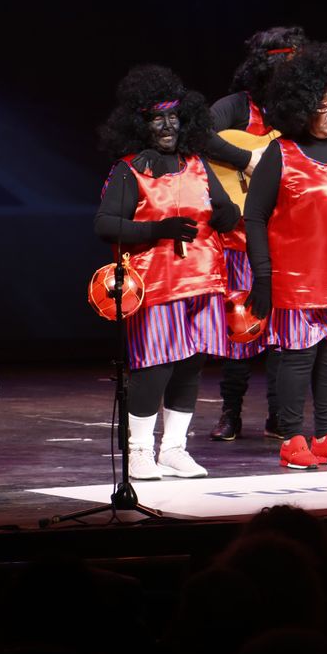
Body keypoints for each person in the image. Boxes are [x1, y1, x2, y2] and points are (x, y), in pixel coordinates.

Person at [95, 66, 239, 478]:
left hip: (203, 280)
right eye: (157, 117)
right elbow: (104, 225)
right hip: (155, 284)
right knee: (153, 367)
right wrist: (158, 229)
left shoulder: (197, 164)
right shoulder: (130, 169)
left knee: (190, 365)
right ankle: (139, 449)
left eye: (173, 116)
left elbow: (224, 212)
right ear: (140, 123)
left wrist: (227, 213)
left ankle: (173, 448)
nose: (167, 125)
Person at [244, 42, 327, 469]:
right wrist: (263, 277)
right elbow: (254, 217)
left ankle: (325, 435)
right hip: (296, 280)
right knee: (297, 359)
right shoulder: (279, 153)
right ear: (300, 106)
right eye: (322, 105)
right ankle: (291, 438)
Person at [201, 26, 306, 442]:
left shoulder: (298, 112)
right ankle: (231, 412)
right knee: (240, 327)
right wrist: (248, 159)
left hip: (285, 233)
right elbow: (198, 136)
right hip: (241, 239)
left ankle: (280, 415)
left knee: (282, 333)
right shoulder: (235, 107)